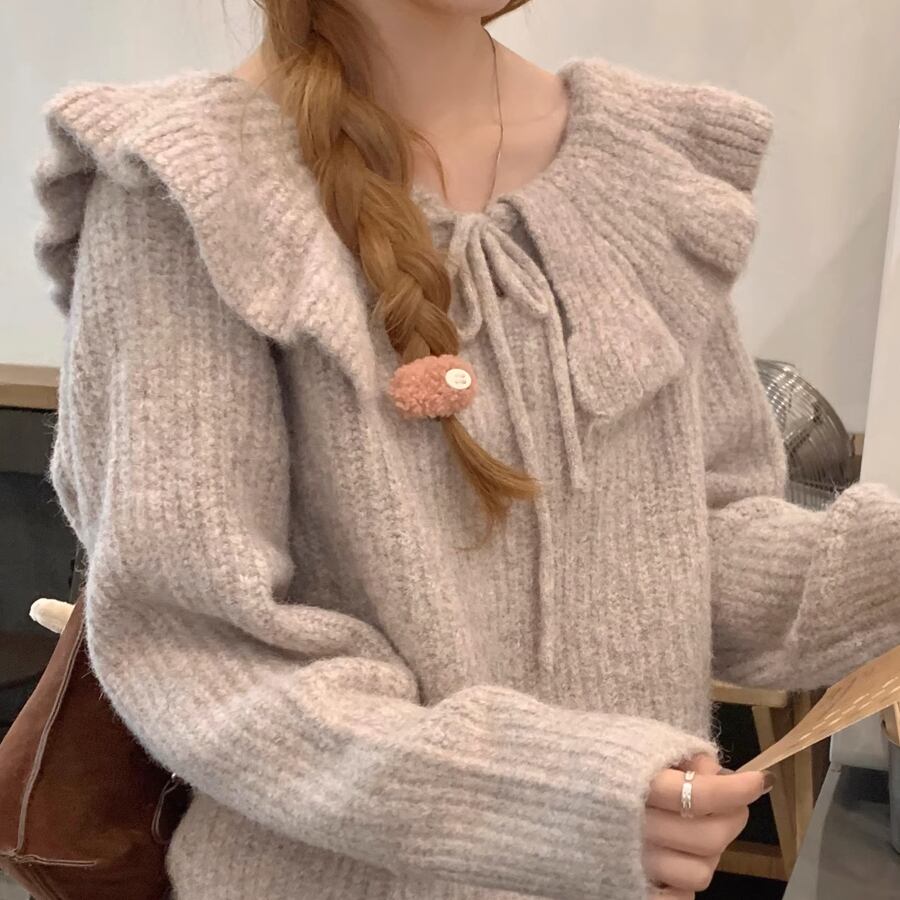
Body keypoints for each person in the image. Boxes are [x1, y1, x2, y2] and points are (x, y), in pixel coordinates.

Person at [31, 1, 900, 898]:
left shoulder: (640, 173)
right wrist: (548, 801)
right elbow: (203, 651)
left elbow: (692, 546)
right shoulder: (185, 192)